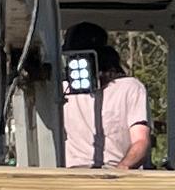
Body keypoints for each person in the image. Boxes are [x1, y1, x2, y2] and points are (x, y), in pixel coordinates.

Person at [58, 23, 152, 171]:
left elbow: (141, 140)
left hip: (116, 174)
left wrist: (121, 170)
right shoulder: (60, 90)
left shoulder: (129, 88)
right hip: (71, 176)